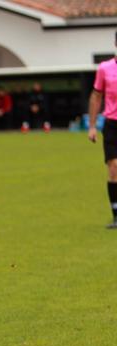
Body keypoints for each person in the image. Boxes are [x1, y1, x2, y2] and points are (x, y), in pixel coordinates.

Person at [88, 31, 117, 229]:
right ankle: (116, 214)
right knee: (114, 168)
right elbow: (96, 97)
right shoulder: (105, 68)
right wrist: (91, 126)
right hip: (112, 124)